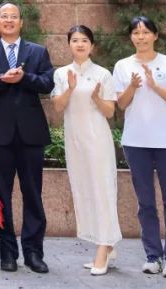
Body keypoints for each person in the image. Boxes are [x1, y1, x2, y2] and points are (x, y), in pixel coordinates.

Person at [0, 2, 54, 274]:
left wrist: (24, 78)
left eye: (13, 16)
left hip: (31, 133)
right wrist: (1, 79)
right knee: (1, 196)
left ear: (21, 22)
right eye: (4, 17)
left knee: (33, 194)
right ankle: (7, 253)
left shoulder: (37, 51)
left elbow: (48, 83)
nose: (9, 20)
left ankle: (33, 252)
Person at [113, 16, 166, 279]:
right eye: (136, 33)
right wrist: (132, 86)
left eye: (146, 32)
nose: (141, 37)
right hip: (136, 142)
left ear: (155, 35)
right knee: (145, 202)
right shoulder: (123, 66)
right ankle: (152, 256)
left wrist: (155, 86)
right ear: (131, 37)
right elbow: (121, 104)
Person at [50, 25, 121, 276]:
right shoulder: (61, 73)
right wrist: (70, 88)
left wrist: (96, 98)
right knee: (85, 190)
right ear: (69, 44)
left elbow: (110, 112)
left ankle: (104, 247)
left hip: (98, 139)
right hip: (75, 140)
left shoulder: (103, 74)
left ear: (92, 45)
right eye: (75, 40)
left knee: (103, 190)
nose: (79, 44)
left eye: (84, 41)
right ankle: (107, 244)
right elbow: (58, 107)